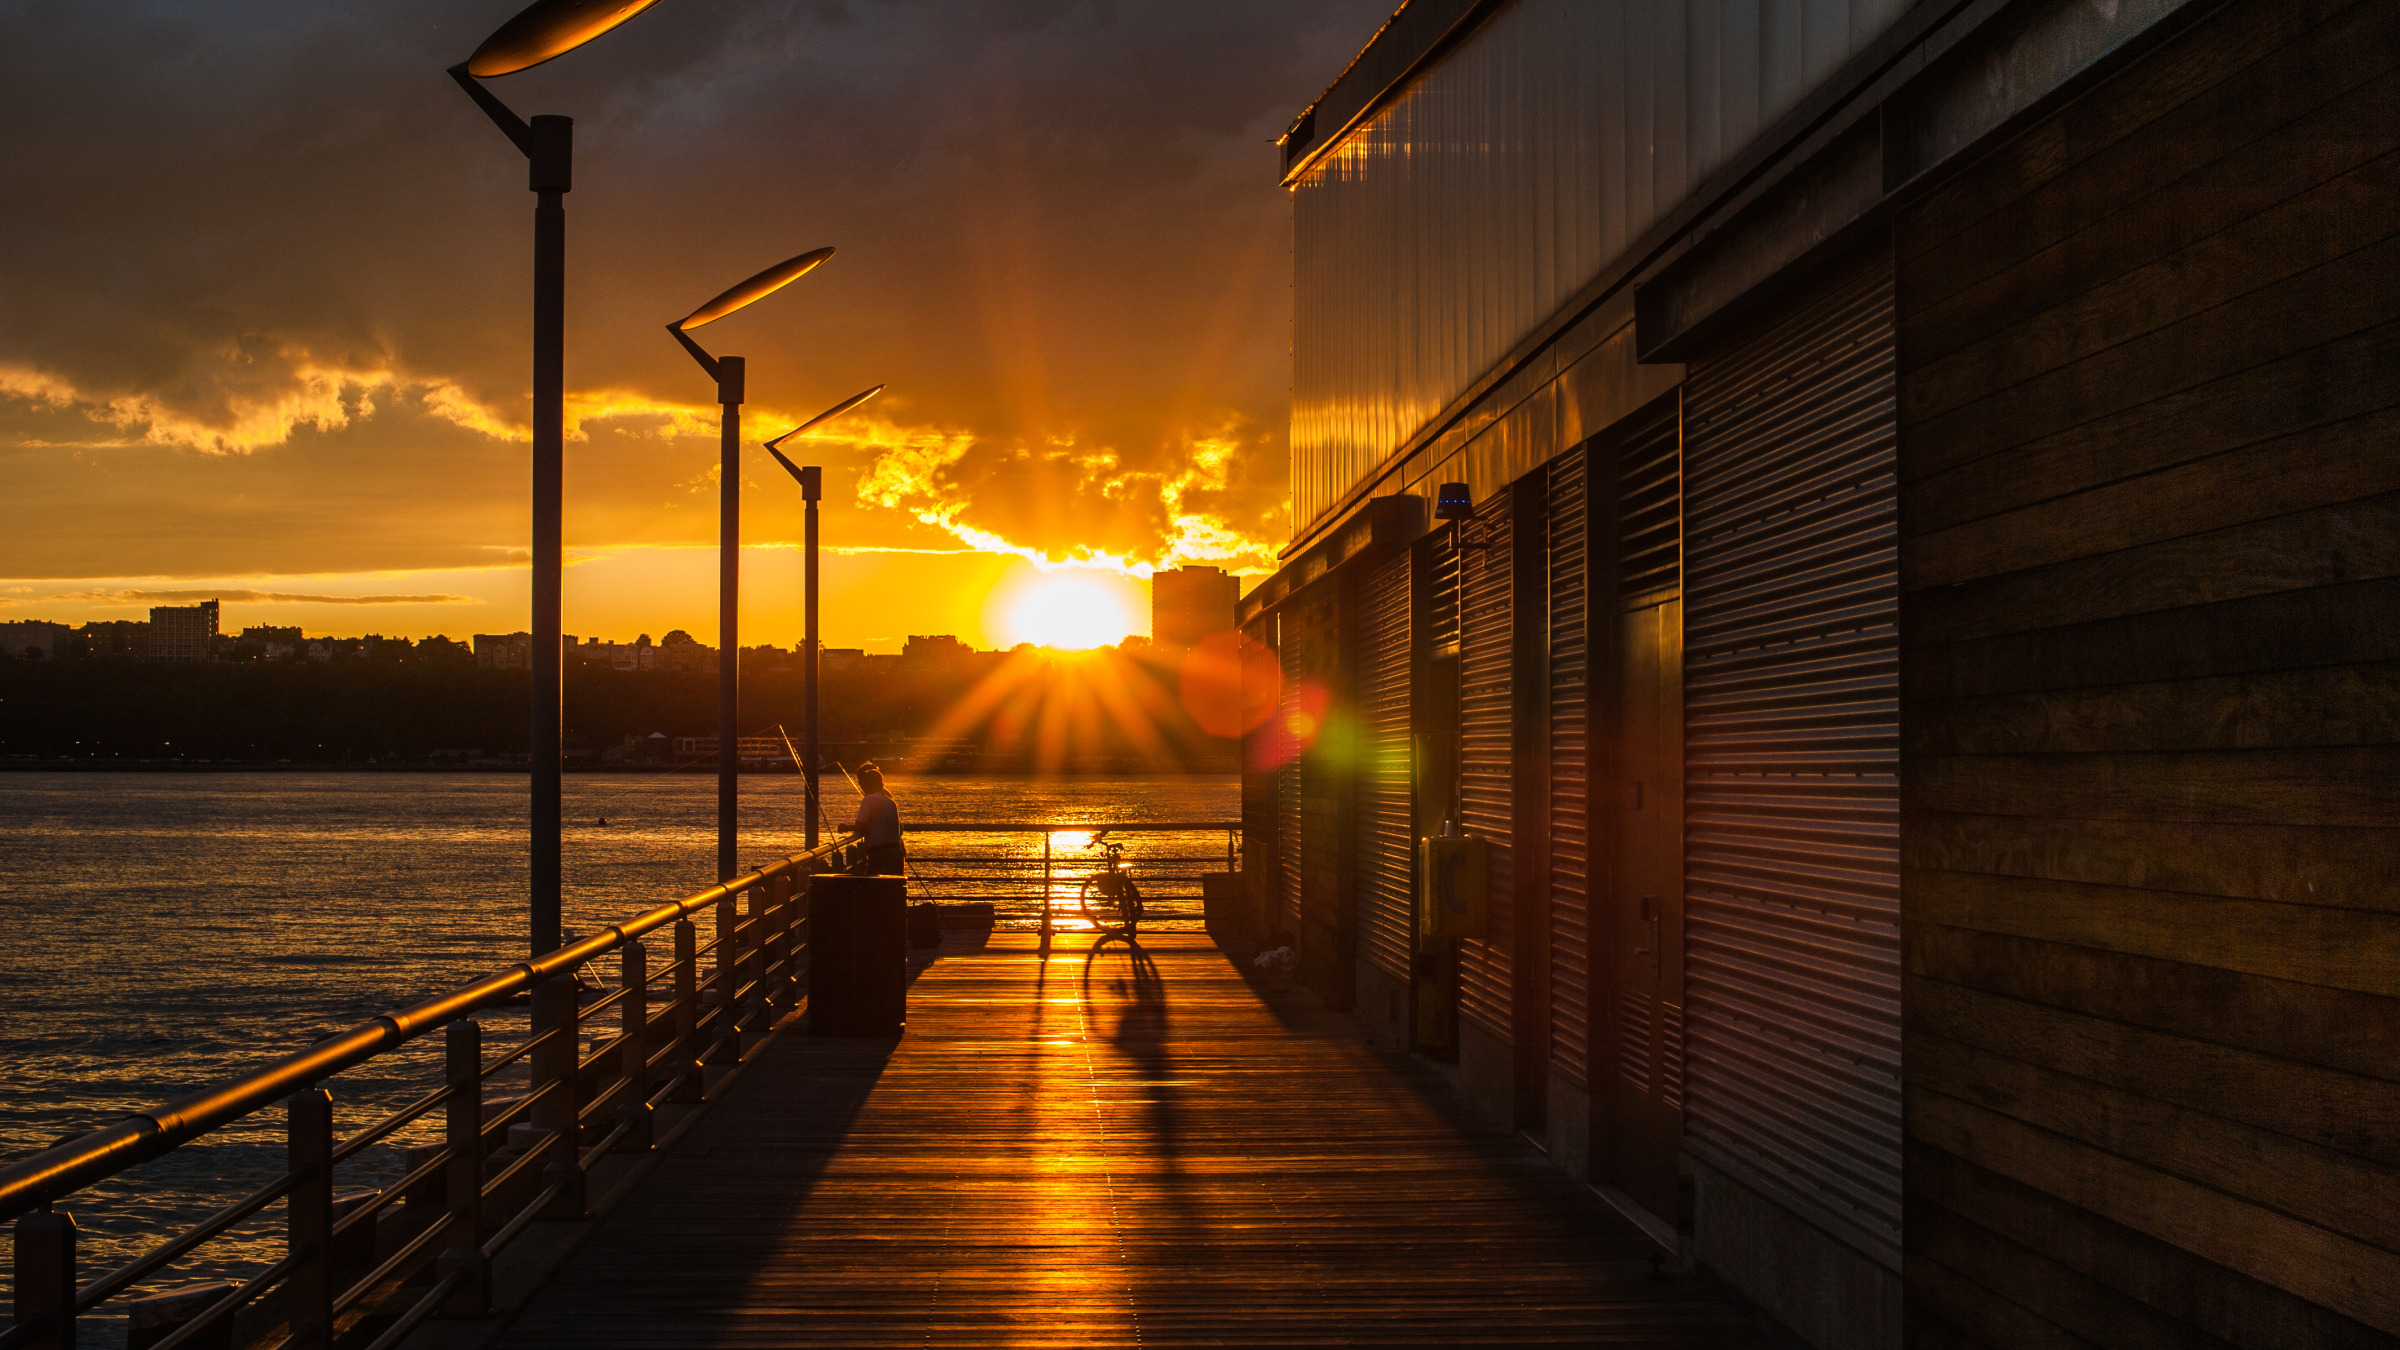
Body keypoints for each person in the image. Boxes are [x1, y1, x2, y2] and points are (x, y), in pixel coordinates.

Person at [846, 762, 905, 875]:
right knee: (894, 888)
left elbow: (861, 825)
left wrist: (845, 827)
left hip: (880, 853)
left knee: (874, 887)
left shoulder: (868, 799)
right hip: (896, 851)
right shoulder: (890, 801)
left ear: (866, 784)